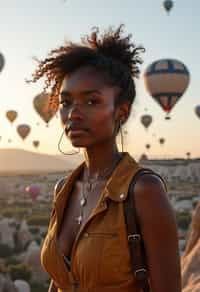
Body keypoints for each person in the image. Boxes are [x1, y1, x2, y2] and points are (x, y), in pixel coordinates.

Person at [29, 25, 181, 292]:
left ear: (121, 111)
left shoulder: (144, 191)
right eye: (65, 102)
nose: (73, 113)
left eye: (91, 102)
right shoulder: (63, 189)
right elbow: (60, 280)